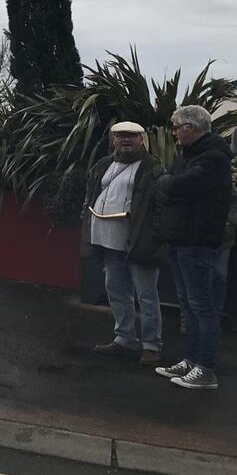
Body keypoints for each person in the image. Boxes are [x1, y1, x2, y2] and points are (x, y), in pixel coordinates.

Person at [154, 105, 233, 390]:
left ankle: (206, 368)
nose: (174, 132)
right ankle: (191, 360)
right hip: (181, 239)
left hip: (197, 241)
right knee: (188, 304)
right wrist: (169, 184)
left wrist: (167, 183)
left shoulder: (213, 158)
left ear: (192, 127)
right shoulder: (191, 156)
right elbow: (173, 184)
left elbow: (176, 185)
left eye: (177, 127)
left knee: (202, 306)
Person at [83, 121, 166, 366]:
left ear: (142, 139)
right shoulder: (104, 165)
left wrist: (155, 236)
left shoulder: (153, 167)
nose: (125, 140)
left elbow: (159, 205)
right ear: (114, 140)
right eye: (120, 136)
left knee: (146, 294)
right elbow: (91, 193)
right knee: (116, 291)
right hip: (108, 240)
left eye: (131, 136)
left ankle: (152, 344)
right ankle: (124, 338)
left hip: (139, 241)